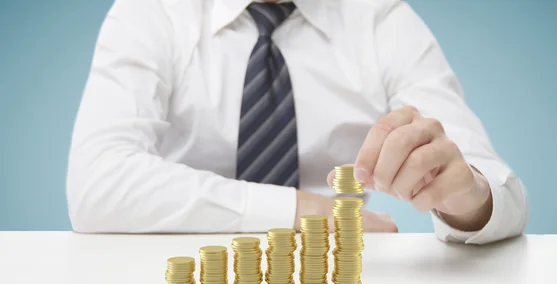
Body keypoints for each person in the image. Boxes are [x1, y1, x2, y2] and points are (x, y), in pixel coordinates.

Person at [66, 0, 528, 244]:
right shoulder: (151, 12)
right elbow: (97, 183)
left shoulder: (380, 19)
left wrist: (468, 199)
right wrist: (297, 212)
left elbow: (500, 193)